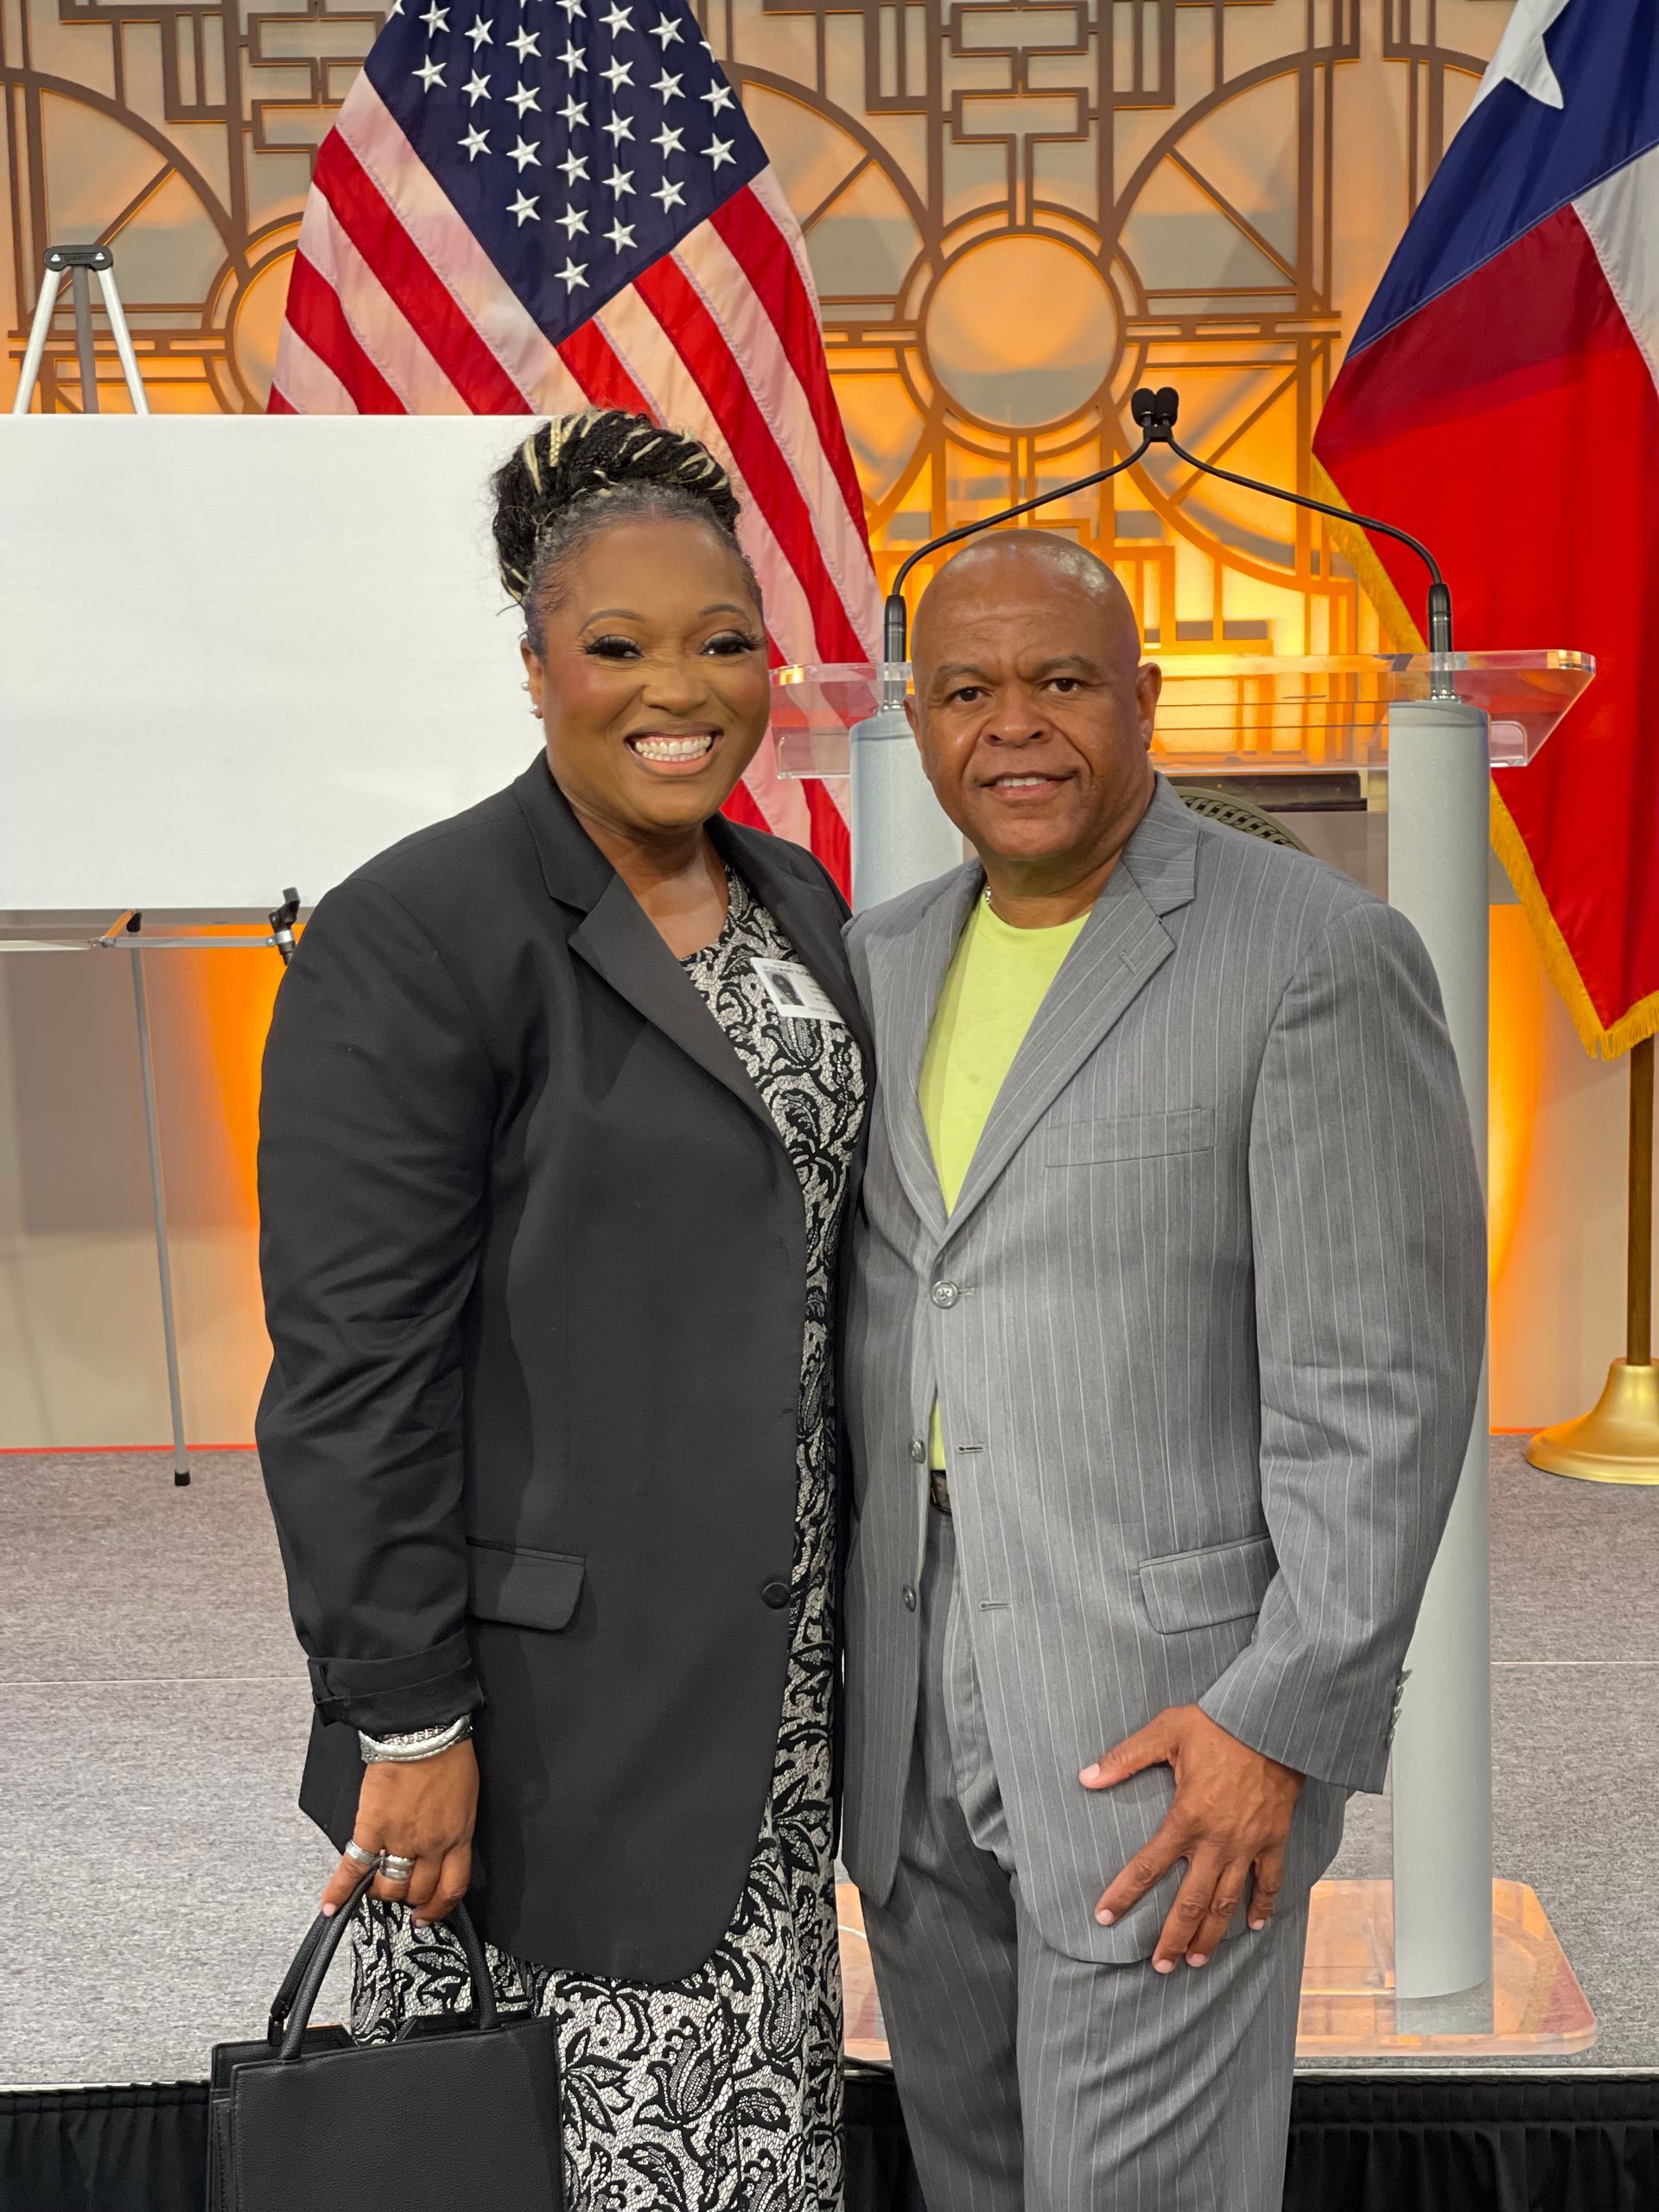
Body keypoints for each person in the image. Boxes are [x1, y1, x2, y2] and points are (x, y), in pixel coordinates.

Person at [256, 409, 870, 2212]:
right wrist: (407, 1723)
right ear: (534, 666)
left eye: (724, 640)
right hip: (547, 1739)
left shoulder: (796, 896)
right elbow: (351, 1377)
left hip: (769, 1701)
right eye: (617, 646)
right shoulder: (419, 932)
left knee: (749, 2154)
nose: (679, 687)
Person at [841, 531, 1485, 2210]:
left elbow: (1384, 1389)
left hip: (1173, 1737)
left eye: (1062, 680)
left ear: (1147, 697)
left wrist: (1283, 1724)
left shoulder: (1312, 955)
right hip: (907, 1737)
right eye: (968, 690)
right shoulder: (877, 960)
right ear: (920, 719)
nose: (1017, 726)